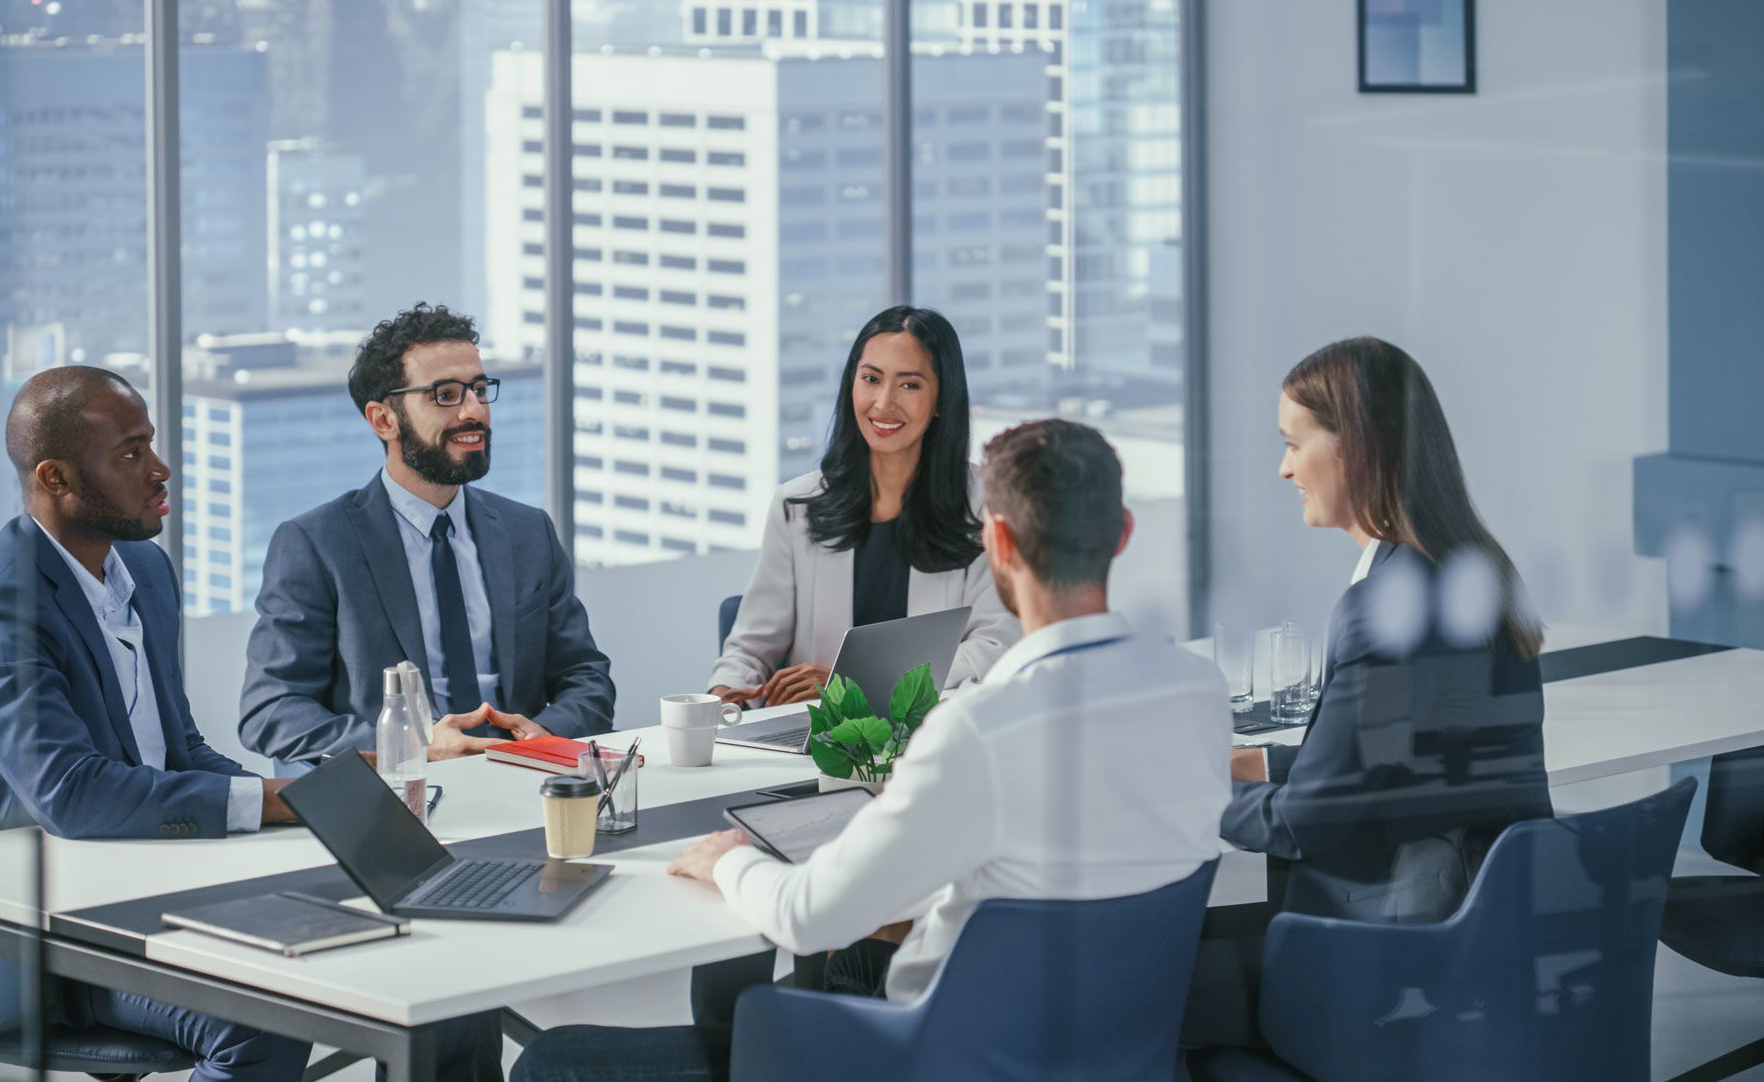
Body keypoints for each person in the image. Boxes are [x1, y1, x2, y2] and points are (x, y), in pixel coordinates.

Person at [511, 419, 1232, 1082]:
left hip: (921, 1057)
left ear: (1001, 543)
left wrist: (725, 855)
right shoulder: (1199, 693)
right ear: (1125, 531)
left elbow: (805, 916)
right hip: (1104, 1055)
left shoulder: (979, 730)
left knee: (555, 1060)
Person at [0, 366, 310, 1082]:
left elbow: (179, 748)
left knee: (383, 951)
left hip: (150, 885)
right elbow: (72, 794)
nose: (161, 469)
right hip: (50, 935)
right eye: (130, 453)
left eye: (151, 443)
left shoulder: (144, 570)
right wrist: (269, 802)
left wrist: (299, 799)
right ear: (55, 477)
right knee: (271, 1020)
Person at [1182, 336, 1554, 1053]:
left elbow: (1302, 825)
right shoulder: (1475, 569)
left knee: (1160, 979)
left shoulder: (1386, 606)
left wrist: (1187, 788)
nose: (1283, 466)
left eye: (1294, 443)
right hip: (1484, 934)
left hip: (1388, 958)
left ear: (1354, 447)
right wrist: (1252, 763)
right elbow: (1393, 754)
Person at [692, 305, 1020, 1014]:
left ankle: (840, 1008)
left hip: (925, 763)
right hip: (810, 768)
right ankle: (752, 1028)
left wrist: (861, 690)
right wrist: (726, 696)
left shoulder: (981, 507)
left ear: (940, 401)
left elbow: (996, 645)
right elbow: (750, 646)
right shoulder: (798, 506)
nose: (883, 402)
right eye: (870, 379)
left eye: (909, 384)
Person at [238, 302, 616, 767]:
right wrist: (413, 746)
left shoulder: (527, 531)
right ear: (383, 420)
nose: (474, 412)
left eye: (479, 390)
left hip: (525, 777)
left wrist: (544, 737)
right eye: (446, 395)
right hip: (399, 795)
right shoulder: (316, 544)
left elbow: (585, 675)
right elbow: (270, 711)